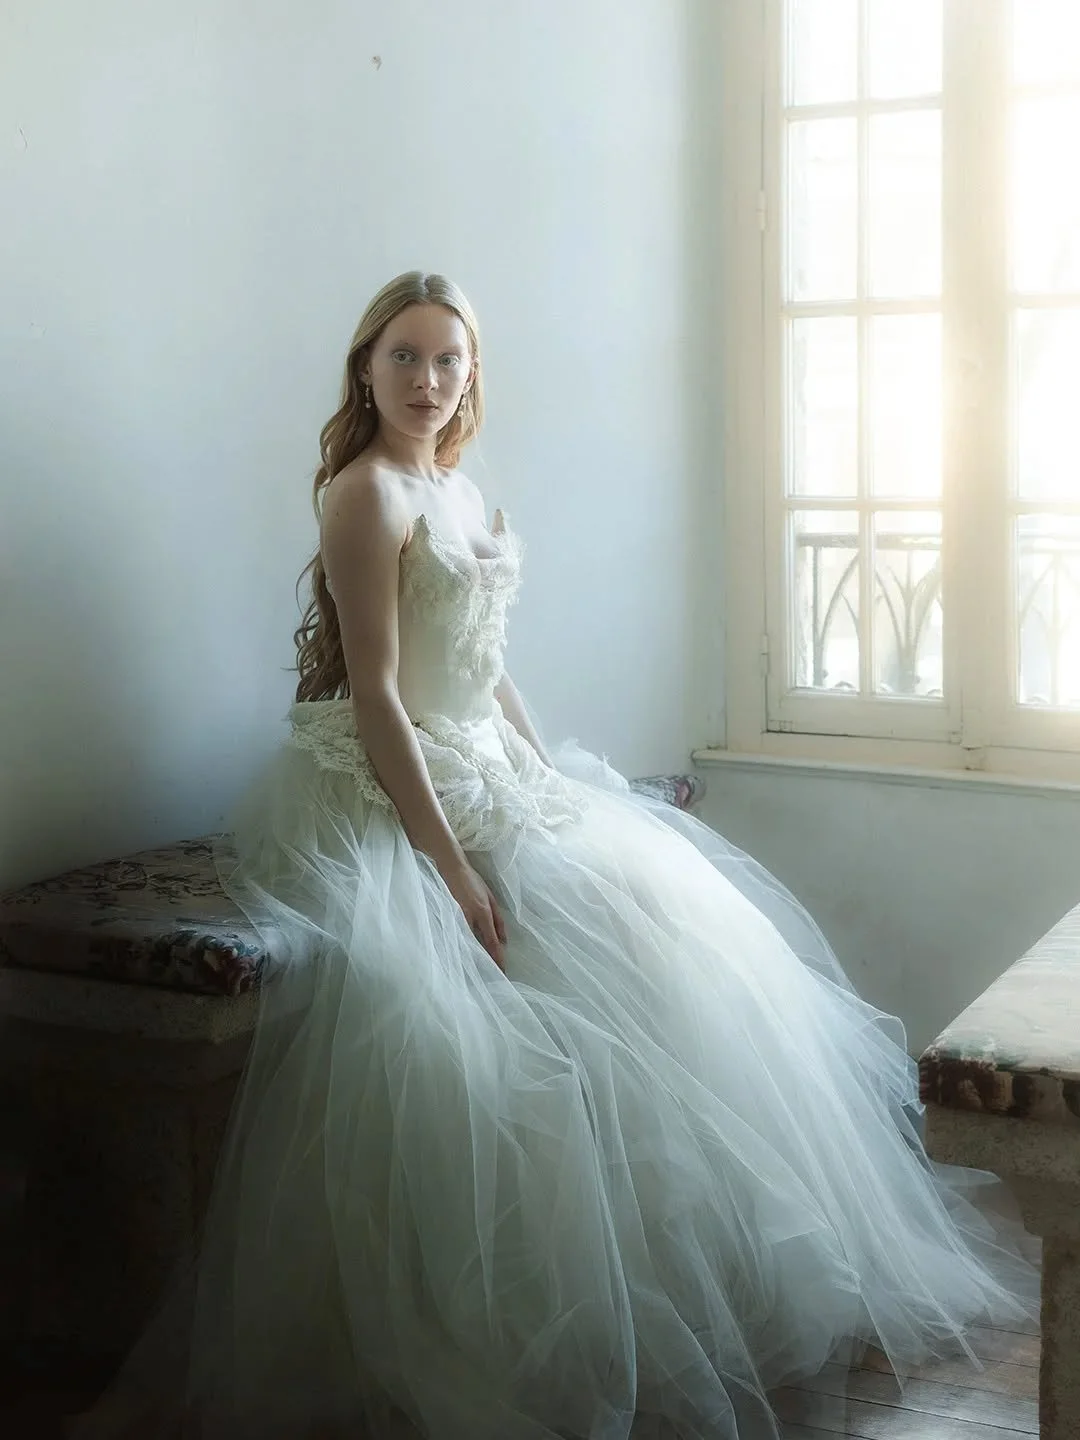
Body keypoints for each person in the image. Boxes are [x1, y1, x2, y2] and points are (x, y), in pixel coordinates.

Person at [75, 271, 1039, 1440]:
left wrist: (548, 777)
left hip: (484, 759)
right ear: (364, 366)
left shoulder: (463, 487)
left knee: (661, 932)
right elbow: (379, 699)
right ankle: (506, 1330)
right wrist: (451, 865)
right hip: (391, 786)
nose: (429, 383)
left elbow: (484, 664)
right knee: (472, 1037)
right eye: (406, 358)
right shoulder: (363, 495)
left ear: (472, 373)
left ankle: (693, 1279)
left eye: (450, 361)